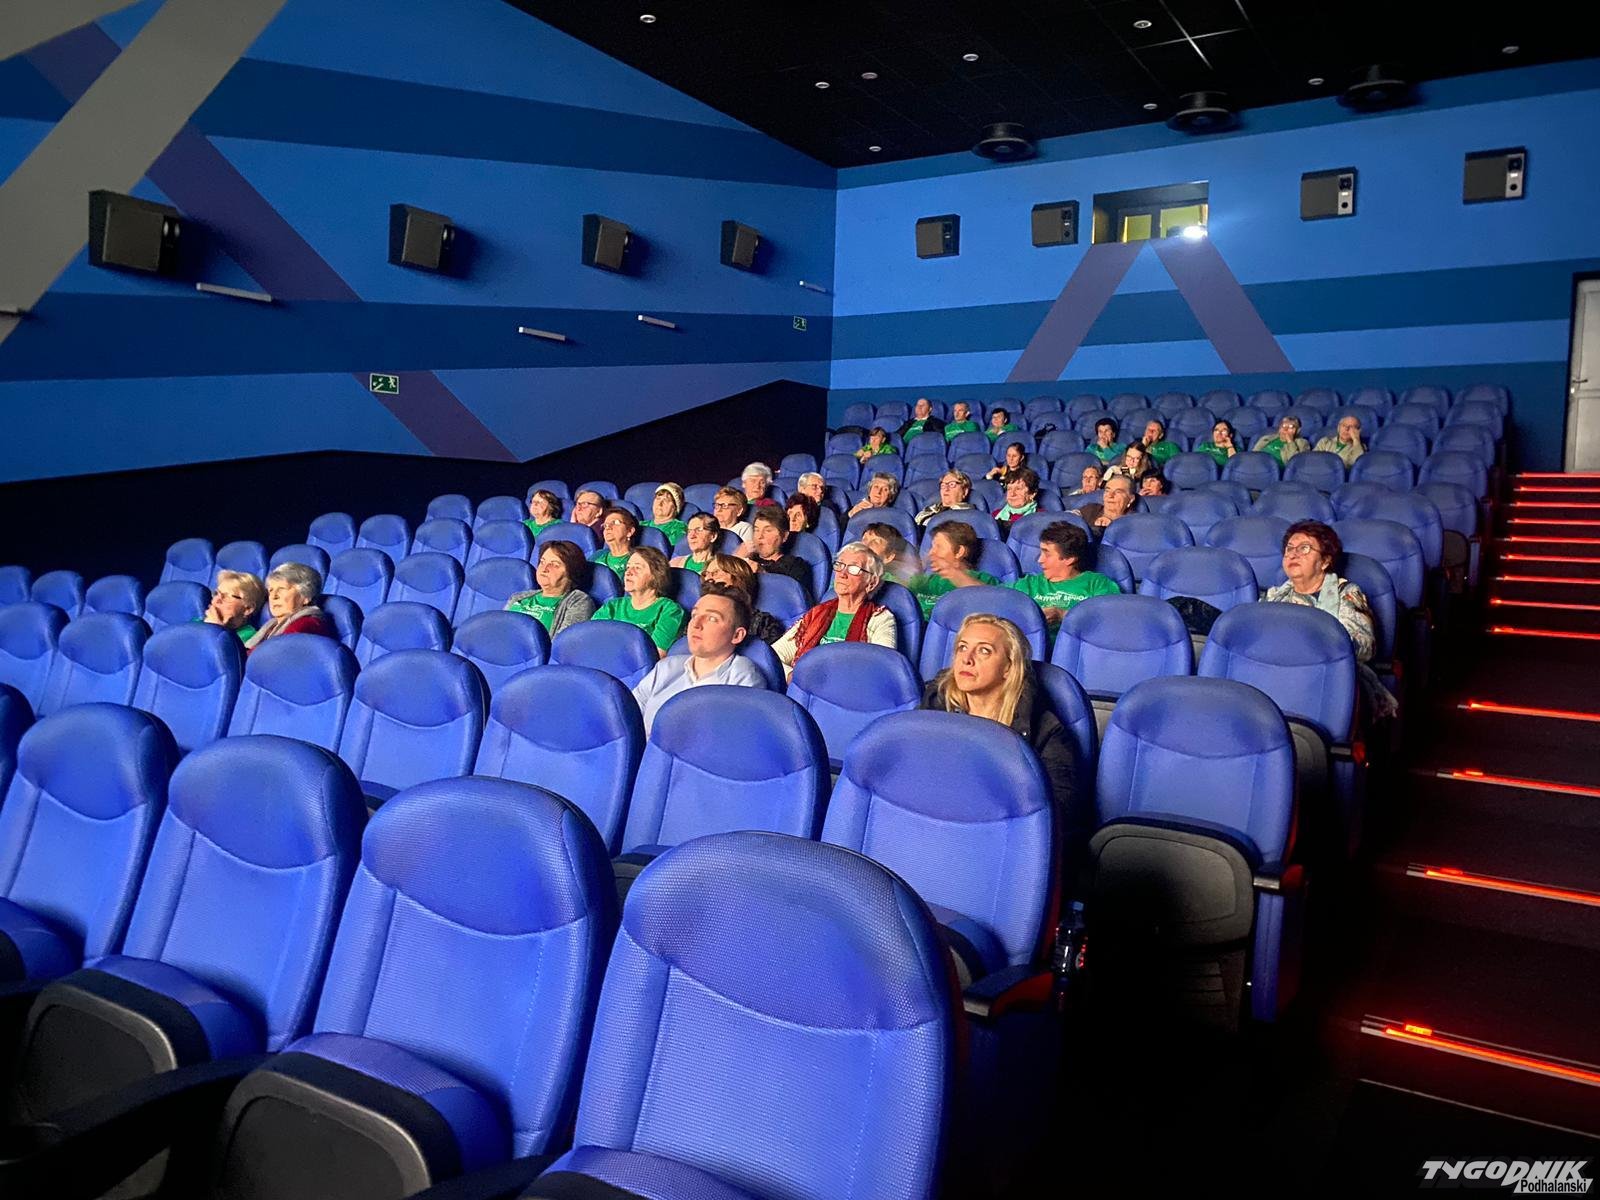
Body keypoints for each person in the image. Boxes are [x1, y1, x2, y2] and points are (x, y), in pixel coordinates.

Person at [921, 613, 1089, 870]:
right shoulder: (932, 709)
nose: (967, 659)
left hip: (1000, 851)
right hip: (931, 834)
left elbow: (1058, 814)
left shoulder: (1044, 729)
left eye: (984, 651)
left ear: (1009, 667)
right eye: (962, 647)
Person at [1262, 520, 1397, 719]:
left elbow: (1364, 647)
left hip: (1329, 679)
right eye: (1289, 548)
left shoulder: (1347, 594)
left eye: (1304, 548)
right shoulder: (1273, 597)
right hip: (1278, 674)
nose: (1293, 554)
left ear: (1325, 561)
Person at [630, 585, 767, 734]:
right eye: (694, 615)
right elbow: (627, 717)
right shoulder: (666, 667)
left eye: (712, 618)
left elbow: (733, 738)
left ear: (737, 635)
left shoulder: (742, 678)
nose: (696, 624)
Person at [772, 542, 898, 678]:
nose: (842, 574)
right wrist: (792, 676)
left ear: (871, 583)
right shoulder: (817, 613)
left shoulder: (880, 618)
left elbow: (882, 667)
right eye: (840, 565)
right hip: (806, 684)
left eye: (854, 568)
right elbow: (774, 655)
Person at [1008, 522, 1119, 634]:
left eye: (1047, 554)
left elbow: (1110, 618)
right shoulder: (1028, 584)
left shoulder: (1098, 584)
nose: (1039, 560)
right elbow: (999, 599)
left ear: (1069, 559)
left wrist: (1062, 614)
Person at [591, 546, 686, 658]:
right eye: (628, 567)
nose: (628, 572)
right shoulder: (612, 606)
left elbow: (654, 655)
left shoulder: (670, 610)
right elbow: (592, 640)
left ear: (656, 575)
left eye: (637, 568)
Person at [906, 520, 999, 619]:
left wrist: (955, 575)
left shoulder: (984, 580)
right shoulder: (927, 580)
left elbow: (994, 602)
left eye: (939, 547)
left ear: (959, 551)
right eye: (932, 547)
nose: (931, 553)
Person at [505, 540, 595, 635]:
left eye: (555, 565)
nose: (544, 569)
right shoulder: (518, 597)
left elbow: (564, 641)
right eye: (542, 562)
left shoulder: (578, 601)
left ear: (572, 572)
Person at [245, 563, 331, 652]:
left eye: (282, 589)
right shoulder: (271, 625)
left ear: (306, 597)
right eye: (271, 590)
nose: (274, 596)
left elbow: (273, 655)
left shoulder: (306, 625)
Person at [701, 554, 787, 644]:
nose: (708, 579)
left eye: (716, 573)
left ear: (737, 579)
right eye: (706, 574)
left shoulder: (761, 624)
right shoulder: (698, 618)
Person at [737, 507, 813, 596]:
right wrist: (736, 560)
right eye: (756, 530)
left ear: (784, 536)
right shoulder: (749, 558)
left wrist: (762, 574)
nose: (760, 536)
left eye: (768, 530)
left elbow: (793, 597)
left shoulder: (795, 565)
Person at [200, 569, 266, 645]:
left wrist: (215, 630)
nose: (216, 600)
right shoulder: (199, 622)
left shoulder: (250, 638)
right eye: (216, 593)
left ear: (248, 608)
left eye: (226, 596)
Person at [588, 506, 639, 580]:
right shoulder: (597, 555)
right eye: (605, 525)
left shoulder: (637, 560)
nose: (608, 527)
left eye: (615, 522)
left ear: (630, 531)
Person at [992, 468, 1041, 534]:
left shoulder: (1041, 518)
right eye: (1009, 489)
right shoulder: (996, 515)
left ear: (1032, 494)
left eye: (1018, 489)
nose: (1012, 494)